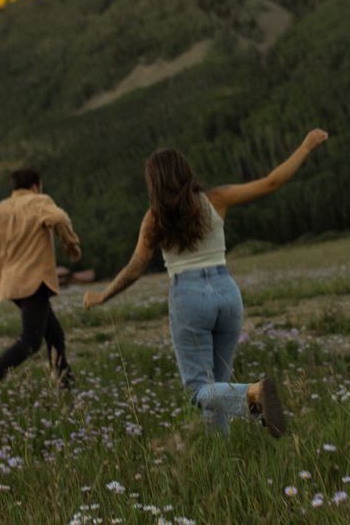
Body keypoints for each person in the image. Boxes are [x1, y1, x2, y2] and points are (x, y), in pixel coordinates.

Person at [84, 129, 328, 437]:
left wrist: (102, 296)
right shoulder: (216, 199)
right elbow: (272, 182)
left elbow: (135, 269)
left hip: (188, 297)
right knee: (218, 390)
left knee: (199, 390)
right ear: (186, 172)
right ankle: (223, 454)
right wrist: (305, 146)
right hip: (227, 291)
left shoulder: (153, 218)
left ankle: (253, 395)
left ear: (154, 183)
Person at [0, 168, 81, 410]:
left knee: (54, 334)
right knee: (31, 340)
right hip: (33, 282)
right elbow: (59, 219)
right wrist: (71, 245)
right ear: (36, 186)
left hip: (9, 283)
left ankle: (66, 388)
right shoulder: (39, 202)